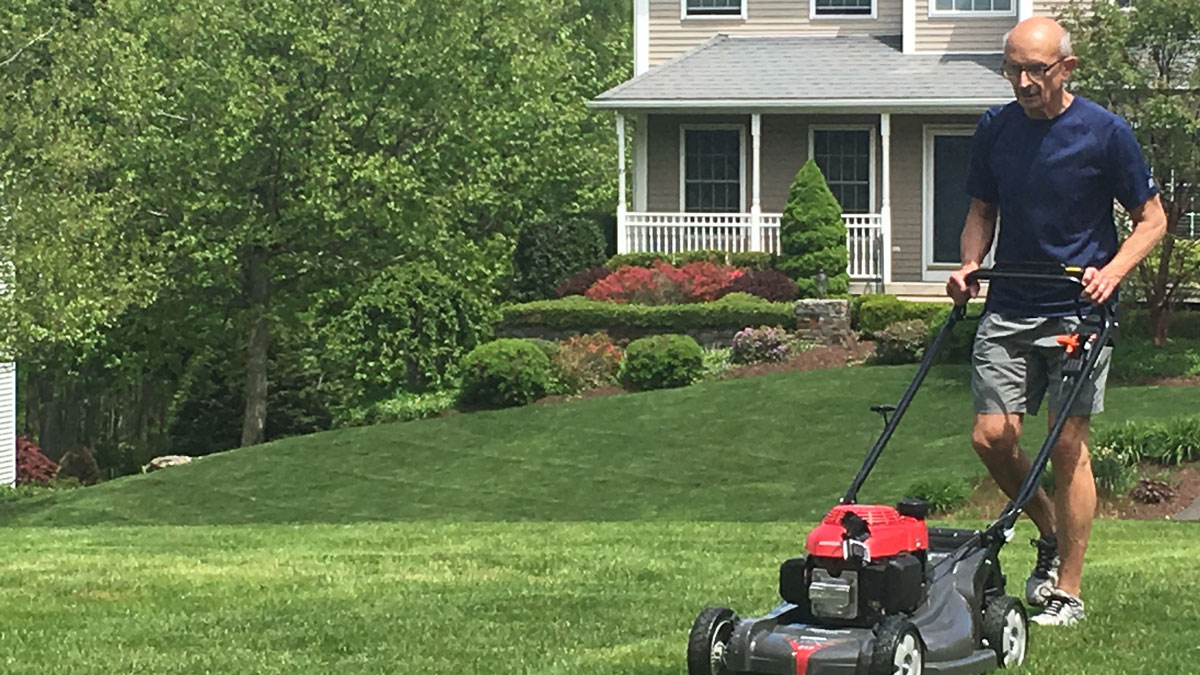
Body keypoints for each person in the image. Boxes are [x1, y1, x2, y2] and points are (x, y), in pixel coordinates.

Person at [946, 17, 1167, 626]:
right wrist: (969, 263)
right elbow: (981, 210)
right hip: (1010, 303)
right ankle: (1046, 525)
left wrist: (1113, 271)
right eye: (1013, 69)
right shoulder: (995, 129)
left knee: (1067, 446)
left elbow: (1152, 220)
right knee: (991, 437)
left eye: (1035, 70)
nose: (1023, 82)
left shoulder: (1105, 132)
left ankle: (1066, 591)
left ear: (1066, 68)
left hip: (1078, 308)